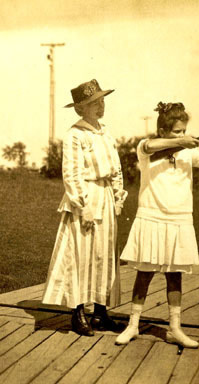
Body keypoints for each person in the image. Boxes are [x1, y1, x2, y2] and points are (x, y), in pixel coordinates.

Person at [115, 101, 199, 348]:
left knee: (175, 277)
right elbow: (149, 145)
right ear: (164, 131)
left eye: (183, 131)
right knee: (144, 274)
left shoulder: (188, 152)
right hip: (152, 216)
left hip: (179, 219)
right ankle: (133, 325)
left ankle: (175, 328)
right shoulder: (146, 148)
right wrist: (181, 142)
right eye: (177, 131)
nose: (182, 135)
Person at [42, 79, 127, 336]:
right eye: (93, 103)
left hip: (106, 199)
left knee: (104, 255)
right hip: (86, 201)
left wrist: (117, 195)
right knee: (80, 256)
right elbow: (72, 174)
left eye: (102, 100)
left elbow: (116, 169)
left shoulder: (105, 133)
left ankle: (100, 313)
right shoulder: (74, 135)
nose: (100, 106)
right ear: (81, 109)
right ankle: (77, 313)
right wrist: (83, 205)